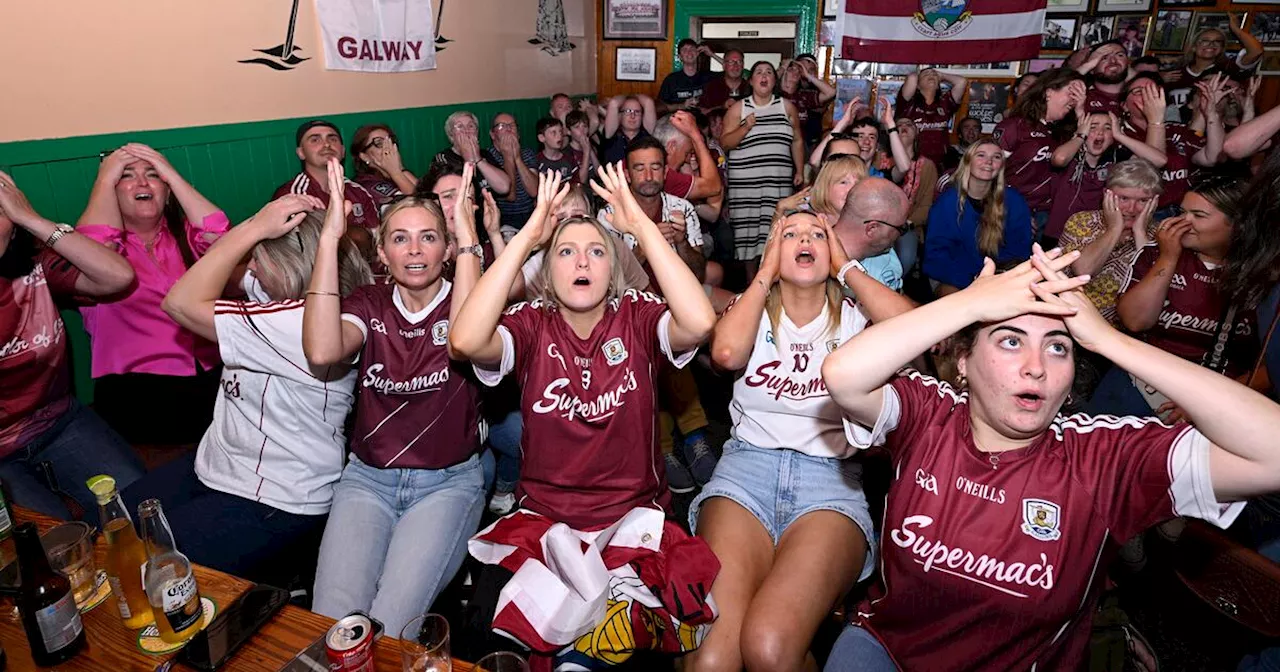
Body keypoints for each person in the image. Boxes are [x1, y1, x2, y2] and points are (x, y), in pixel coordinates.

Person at [820, 243, 1280, 671]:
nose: (1036, 366)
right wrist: (970, 304)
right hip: (887, 650)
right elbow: (844, 375)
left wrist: (1111, 342)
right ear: (964, 362)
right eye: (1010, 340)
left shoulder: (1101, 458)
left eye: (1058, 347)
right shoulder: (929, 415)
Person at [451, 166, 719, 668]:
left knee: (601, 655)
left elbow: (700, 321)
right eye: (565, 252)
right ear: (547, 270)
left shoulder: (636, 315)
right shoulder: (530, 323)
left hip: (630, 522)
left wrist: (638, 225)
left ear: (612, 267)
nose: (582, 261)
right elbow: (465, 340)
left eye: (596, 251)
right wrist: (529, 236)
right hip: (545, 521)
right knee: (490, 645)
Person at [685, 209, 912, 672]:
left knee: (770, 648)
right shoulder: (749, 311)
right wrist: (764, 273)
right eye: (790, 234)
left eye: (817, 234)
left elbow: (916, 331)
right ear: (774, 250)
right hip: (745, 473)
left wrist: (847, 268)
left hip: (830, 483)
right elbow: (726, 354)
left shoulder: (855, 319)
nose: (804, 239)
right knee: (711, 662)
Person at [137, 192, 371, 582]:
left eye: (260, 262)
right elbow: (219, 267)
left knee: (155, 574)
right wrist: (261, 229)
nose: (253, 270)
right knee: (117, 529)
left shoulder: (297, 321)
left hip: (275, 494)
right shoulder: (289, 290)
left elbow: (180, 301)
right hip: (221, 465)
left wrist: (255, 227)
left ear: (288, 266)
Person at [304, 161, 487, 636]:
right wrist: (329, 240)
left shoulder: (467, 301)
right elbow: (322, 350)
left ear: (447, 250)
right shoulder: (368, 301)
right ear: (381, 253)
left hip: (446, 484)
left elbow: (464, 342)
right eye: (400, 238)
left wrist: (467, 234)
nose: (415, 250)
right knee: (333, 626)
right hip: (368, 479)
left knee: (389, 627)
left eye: (429, 237)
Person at [0, 171, 142, 524]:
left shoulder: (34, 262)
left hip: (59, 421)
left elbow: (118, 277)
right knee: (53, 549)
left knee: (142, 511)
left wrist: (31, 219)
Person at [77, 144, 229, 445]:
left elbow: (220, 234)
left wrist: (171, 173)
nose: (143, 183)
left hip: (212, 376)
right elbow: (95, 247)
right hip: (138, 390)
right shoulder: (101, 249)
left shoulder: (185, 235)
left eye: (153, 175)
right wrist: (105, 178)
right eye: (127, 176)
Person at [599, 137, 715, 490]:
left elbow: (697, 273)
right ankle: (670, 443)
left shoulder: (681, 209)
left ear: (666, 171)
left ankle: (691, 439)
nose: (648, 175)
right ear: (627, 174)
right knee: (655, 349)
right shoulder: (609, 216)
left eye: (654, 166)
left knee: (672, 344)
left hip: (674, 303)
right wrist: (649, 246)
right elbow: (610, 281)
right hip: (625, 306)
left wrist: (679, 244)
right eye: (639, 167)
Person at [1092, 177, 1257, 421]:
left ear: (1238, 224)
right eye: (1182, 212)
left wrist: (1212, 402)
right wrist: (1168, 257)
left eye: (1198, 216)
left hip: (1223, 392)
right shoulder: (1153, 254)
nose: (1182, 222)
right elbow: (1135, 321)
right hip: (1142, 382)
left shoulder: (1261, 273)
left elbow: (1269, 367)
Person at [1058, 159, 1163, 325]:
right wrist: (1114, 229)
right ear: (1107, 195)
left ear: (1155, 202)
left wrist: (1140, 234)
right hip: (1073, 319)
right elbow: (1083, 272)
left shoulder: (1161, 235)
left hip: (1127, 328)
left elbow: (1153, 288)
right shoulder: (1082, 222)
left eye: (1143, 201)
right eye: (1124, 198)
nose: (1131, 208)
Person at [723, 62, 805, 274]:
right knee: (748, 236)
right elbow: (725, 143)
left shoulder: (787, 107)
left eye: (769, 72)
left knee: (776, 229)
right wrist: (746, 127)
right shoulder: (738, 108)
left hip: (776, 182)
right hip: (745, 184)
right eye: (759, 72)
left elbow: (796, 140)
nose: (764, 76)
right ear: (750, 81)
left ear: (774, 80)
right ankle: (752, 282)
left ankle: (773, 279)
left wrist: (799, 170)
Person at [923, 141, 1033, 295]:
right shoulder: (947, 202)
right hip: (952, 275)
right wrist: (973, 281)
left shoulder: (1013, 200)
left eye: (996, 157)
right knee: (958, 304)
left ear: (1001, 166)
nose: (988, 161)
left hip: (998, 276)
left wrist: (993, 277)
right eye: (981, 155)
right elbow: (938, 254)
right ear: (968, 161)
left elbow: (1020, 247)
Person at [1045, 111, 1161, 245]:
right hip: (1057, 234)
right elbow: (1059, 159)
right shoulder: (1070, 152)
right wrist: (1080, 135)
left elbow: (1158, 161)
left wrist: (1119, 135)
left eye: (1108, 128)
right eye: (1093, 127)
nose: (1100, 133)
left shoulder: (1116, 157)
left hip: (1096, 234)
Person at [992, 68, 1086, 233]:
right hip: (1010, 212)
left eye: (1081, 95)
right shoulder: (1015, 126)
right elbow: (989, 174)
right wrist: (1014, 210)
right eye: (1072, 92)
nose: (1076, 99)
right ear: (1049, 92)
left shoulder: (1068, 133)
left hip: (1051, 217)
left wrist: (1081, 114)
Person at [1120, 73, 1225, 216]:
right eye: (1139, 92)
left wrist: (1212, 113)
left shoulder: (1175, 128)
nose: (1148, 96)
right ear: (1124, 105)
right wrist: (1155, 121)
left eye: (1153, 91)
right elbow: (1151, 168)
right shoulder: (1120, 135)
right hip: (1146, 213)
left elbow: (1212, 157)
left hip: (1184, 210)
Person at [271, 121, 381, 248]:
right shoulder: (291, 196)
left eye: (333, 139)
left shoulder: (359, 192)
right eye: (315, 140)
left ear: (343, 151)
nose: (327, 144)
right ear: (301, 153)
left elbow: (377, 240)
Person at [1165, 17, 1262, 118]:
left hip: (1215, 126)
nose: (1211, 44)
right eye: (1205, 41)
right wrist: (1159, 79)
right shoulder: (1175, 73)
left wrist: (1236, 29)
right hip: (1176, 127)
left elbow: (1256, 51)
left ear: (1221, 49)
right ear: (1194, 46)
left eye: (1217, 41)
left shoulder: (1228, 68)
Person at [882, 105, 939, 274]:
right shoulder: (880, 160)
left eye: (909, 125)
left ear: (917, 134)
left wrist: (909, 222)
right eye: (898, 125)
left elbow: (927, 204)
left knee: (905, 258)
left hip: (908, 226)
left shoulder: (927, 165)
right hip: (877, 223)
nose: (904, 127)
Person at [831, 177, 914, 292]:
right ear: (872, 229)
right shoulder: (812, 265)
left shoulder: (887, 259)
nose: (900, 236)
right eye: (901, 229)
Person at [431, 111, 513, 197]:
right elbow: (460, 195)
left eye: (471, 126)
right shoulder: (442, 158)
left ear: (477, 133)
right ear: (451, 135)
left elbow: (504, 188)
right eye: (460, 126)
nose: (466, 131)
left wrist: (478, 159)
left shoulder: (485, 154)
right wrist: (468, 160)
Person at [896, 67, 967, 166]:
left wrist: (941, 75)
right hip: (913, 162)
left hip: (941, 163)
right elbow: (912, 77)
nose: (931, 75)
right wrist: (928, 73)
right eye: (926, 75)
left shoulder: (945, 103)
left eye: (934, 75)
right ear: (918, 85)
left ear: (938, 85)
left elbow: (962, 82)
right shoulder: (908, 104)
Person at [653, 111, 723, 202]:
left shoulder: (650, 167)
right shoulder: (665, 176)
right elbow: (714, 187)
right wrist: (696, 137)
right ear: (672, 147)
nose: (688, 159)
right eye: (686, 153)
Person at [350, 124, 418, 209]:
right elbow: (417, 204)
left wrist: (400, 168)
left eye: (391, 141)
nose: (388, 148)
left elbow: (429, 198)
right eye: (379, 143)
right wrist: (396, 173)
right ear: (364, 156)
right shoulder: (367, 184)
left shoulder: (396, 174)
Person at [780, 55, 837, 148]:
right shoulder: (773, 93)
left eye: (799, 70)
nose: (796, 72)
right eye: (791, 69)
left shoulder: (803, 95)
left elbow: (831, 92)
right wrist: (783, 68)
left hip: (802, 145)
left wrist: (807, 75)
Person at [659, 39, 714, 114]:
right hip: (678, 122)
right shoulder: (671, 80)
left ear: (697, 53)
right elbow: (660, 107)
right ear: (680, 57)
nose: (689, 52)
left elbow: (731, 71)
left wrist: (712, 55)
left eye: (692, 49)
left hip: (703, 122)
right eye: (685, 50)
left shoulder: (708, 76)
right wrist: (682, 106)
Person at [601, 94, 658, 166]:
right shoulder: (611, 135)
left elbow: (648, 102)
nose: (632, 116)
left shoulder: (647, 137)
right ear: (620, 115)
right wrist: (628, 95)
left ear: (642, 116)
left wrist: (634, 95)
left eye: (637, 112)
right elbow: (614, 102)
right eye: (628, 111)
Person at [1076, 41, 1130, 115]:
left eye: (1120, 55)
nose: (1113, 61)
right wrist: (1086, 66)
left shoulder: (1137, 95)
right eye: (1104, 58)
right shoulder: (1080, 96)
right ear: (1091, 67)